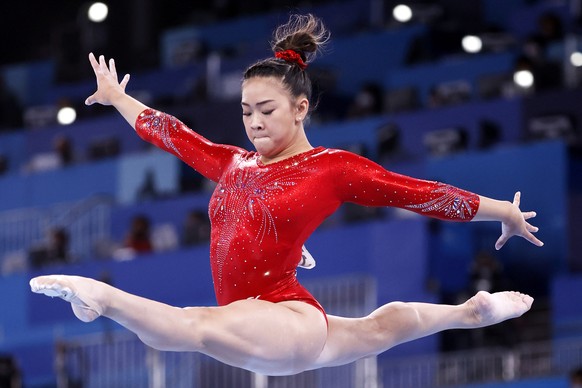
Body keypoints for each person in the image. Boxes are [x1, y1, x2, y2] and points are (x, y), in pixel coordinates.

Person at [30, 14, 543, 376]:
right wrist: (119, 98)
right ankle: (469, 313)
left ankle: (101, 296)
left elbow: (417, 193)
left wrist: (504, 211)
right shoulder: (233, 162)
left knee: (190, 328)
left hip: (286, 316)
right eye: (246, 110)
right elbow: (171, 133)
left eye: (267, 110)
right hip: (257, 325)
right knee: (381, 327)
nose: (254, 122)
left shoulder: (330, 168)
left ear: (300, 108)